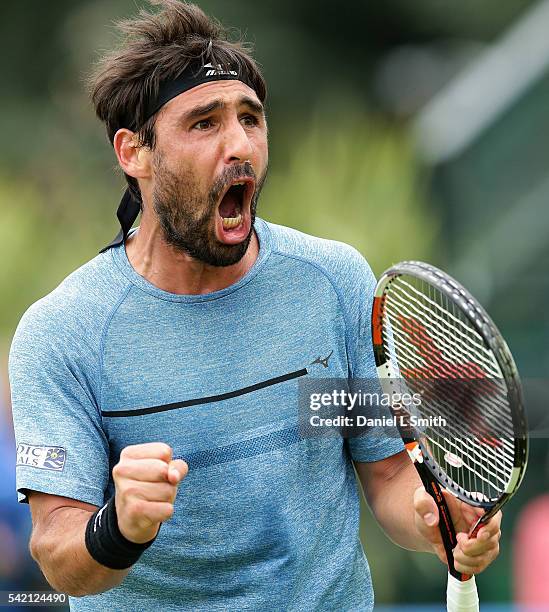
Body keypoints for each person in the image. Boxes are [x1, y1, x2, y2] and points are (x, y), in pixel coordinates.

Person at [8, 1, 502, 610]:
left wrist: (434, 521)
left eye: (251, 118)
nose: (240, 144)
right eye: (204, 123)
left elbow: (390, 475)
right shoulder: (62, 334)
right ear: (134, 153)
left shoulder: (333, 281)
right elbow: (57, 554)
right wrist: (119, 528)